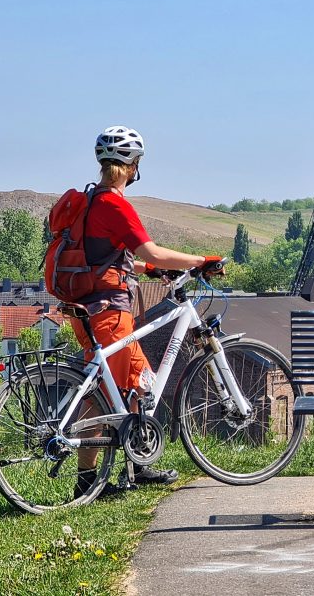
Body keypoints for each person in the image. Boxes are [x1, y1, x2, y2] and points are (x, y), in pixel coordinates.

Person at [74, 125, 222, 499]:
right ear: (132, 165)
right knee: (100, 397)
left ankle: (138, 464)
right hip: (109, 311)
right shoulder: (114, 204)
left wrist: (149, 270)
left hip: (88, 307)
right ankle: (88, 479)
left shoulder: (91, 201)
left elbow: (110, 258)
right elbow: (150, 251)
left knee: (141, 384)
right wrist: (201, 260)